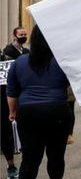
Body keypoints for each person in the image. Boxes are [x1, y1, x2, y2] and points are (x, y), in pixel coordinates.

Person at [6, 25, 72, 179]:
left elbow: (11, 93)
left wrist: (12, 112)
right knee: (56, 158)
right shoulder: (61, 62)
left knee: (29, 159)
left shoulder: (19, 62)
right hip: (58, 112)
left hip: (29, 113)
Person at [0, 27, 28, 179]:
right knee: (6, 132)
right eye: (21, 34)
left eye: (25, 34)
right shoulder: (7, 52)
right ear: (14, 36)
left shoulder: (26, 53)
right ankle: (11, 165)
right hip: (5, 98)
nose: (23, 36)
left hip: (23, 96)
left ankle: (25, 163)